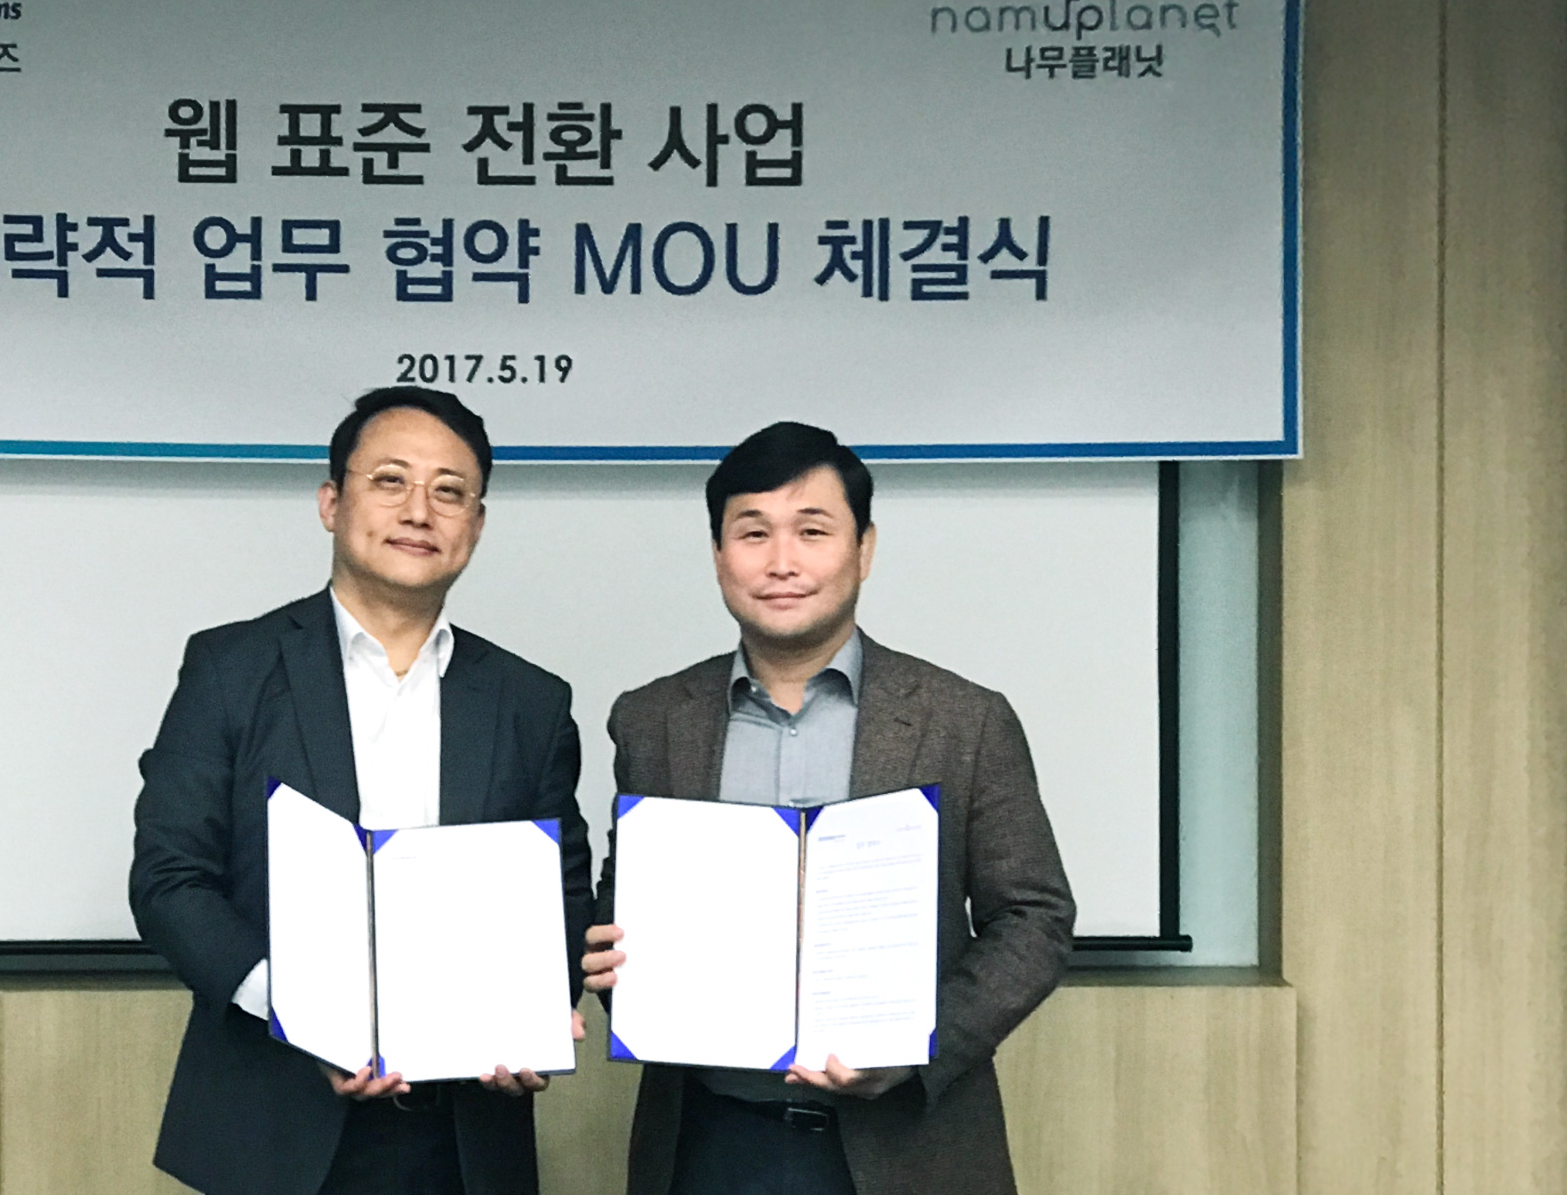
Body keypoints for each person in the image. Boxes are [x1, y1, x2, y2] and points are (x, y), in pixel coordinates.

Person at [581, 421, 1074, 1195]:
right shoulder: (652, 720)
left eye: (812, 531)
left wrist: (919, 1045)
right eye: (752, 533)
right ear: (717, 554)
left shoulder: (963, 719)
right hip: (707, 1139)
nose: (781, 562)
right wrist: (613, 961)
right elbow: (628, 902)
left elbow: (1034, 917)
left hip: (906, 1145)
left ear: (863, 549)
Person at [132, 386, 593, 1195]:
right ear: (330, 502)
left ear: (476, 525)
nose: (419, 510)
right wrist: (300, 1014)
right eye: (389, 480)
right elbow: (171, 880)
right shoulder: (230, 669)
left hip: (463, 1136)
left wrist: (534, 1018)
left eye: (449, 491)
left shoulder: (529, 701)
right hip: (274, 1122)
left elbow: (559, 892)